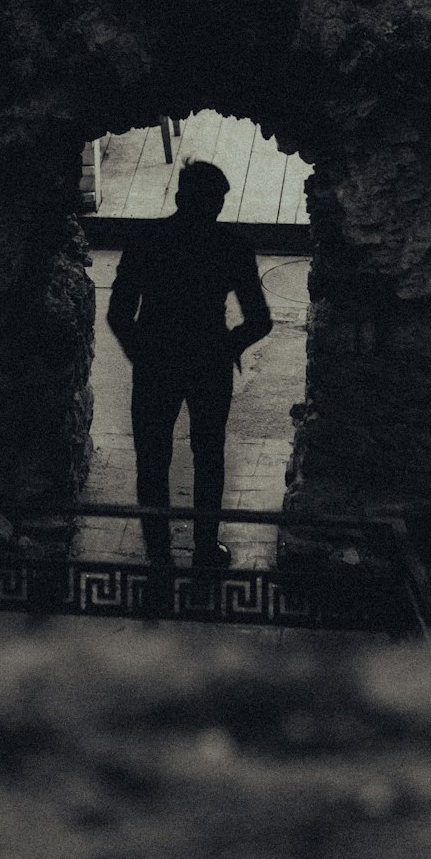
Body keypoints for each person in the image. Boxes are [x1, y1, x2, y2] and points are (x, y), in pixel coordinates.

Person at [106, 158, 273, 568]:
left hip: (156, 361)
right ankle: (204, 547)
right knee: (209, 454)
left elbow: (118, 314)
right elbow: (260, 320)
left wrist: (139, 351)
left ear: (179, 196)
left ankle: (159, 554)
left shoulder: (145, 240)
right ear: (218, 204)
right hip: (209, 360)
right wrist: (229, 344)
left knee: (152, 458)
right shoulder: (233, 247)